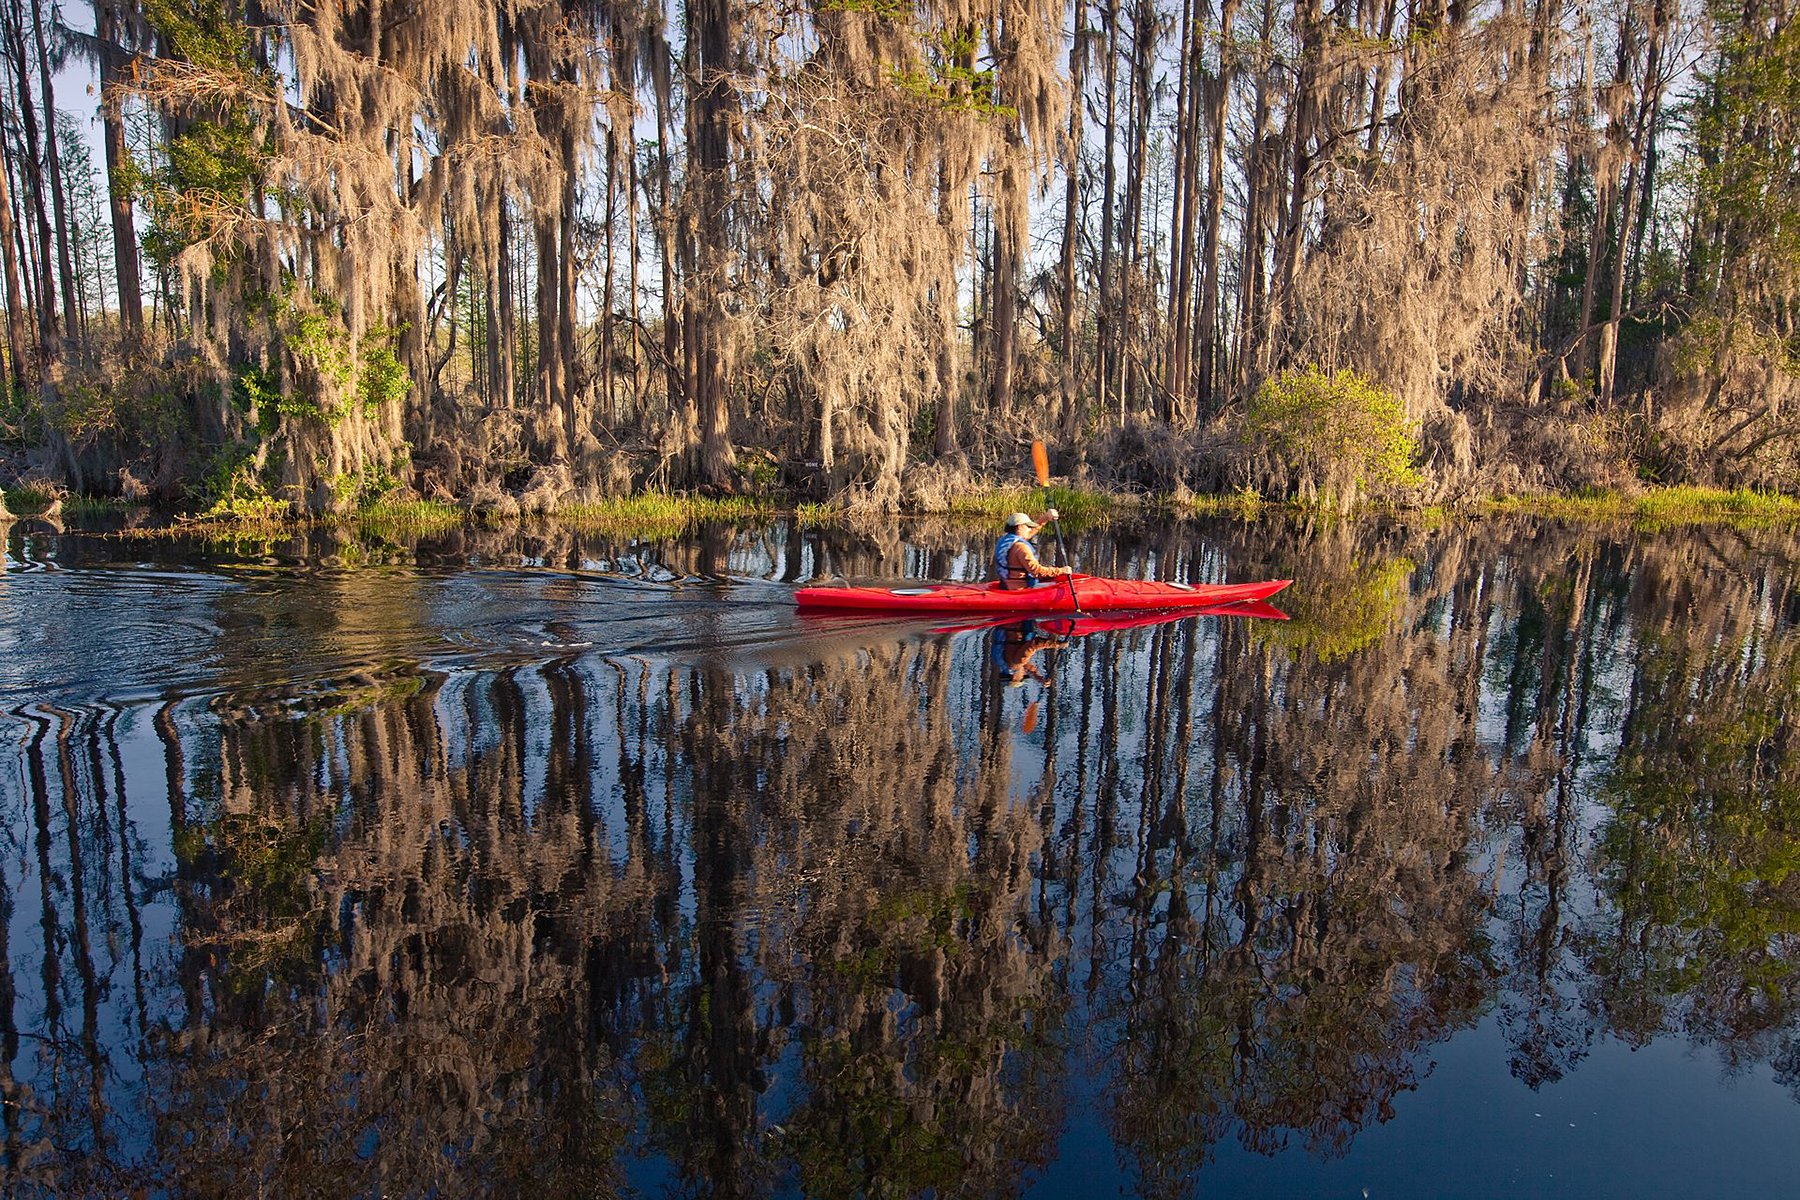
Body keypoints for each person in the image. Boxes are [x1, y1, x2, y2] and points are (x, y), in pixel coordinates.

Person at [993, 510, 1074, 590]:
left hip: (1007, 585)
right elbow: (1037, 571)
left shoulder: (1007, 541)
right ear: (1019, 527)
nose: (1030, 530)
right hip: (1020, 588)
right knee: (1058, 586)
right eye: (1028, 527)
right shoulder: (1021, 547)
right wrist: (1061, 571)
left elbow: (1031, 532)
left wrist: (1045, 517)